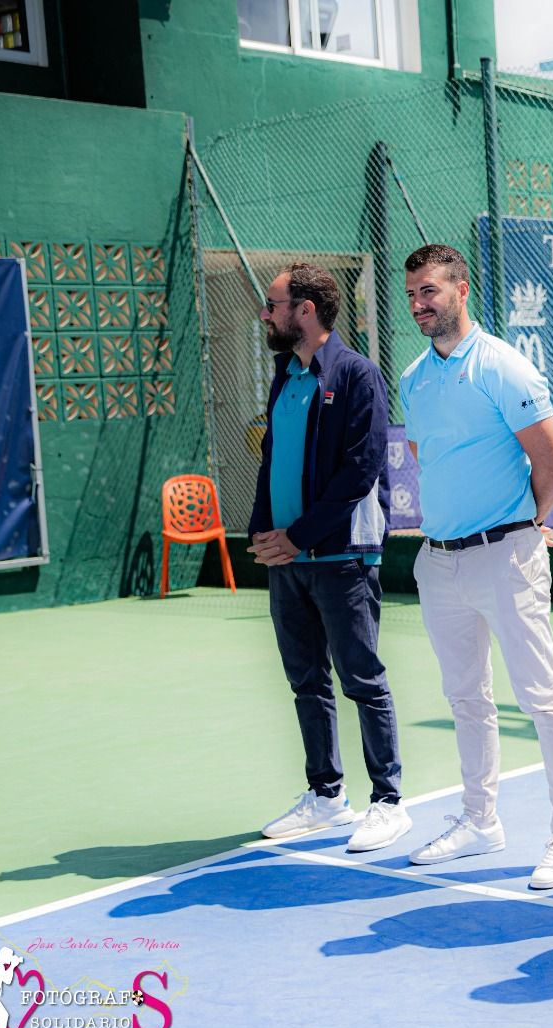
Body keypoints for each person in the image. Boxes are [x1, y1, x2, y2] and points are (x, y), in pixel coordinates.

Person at [397, 243, 553, 889]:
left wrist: (523, 531)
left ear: (461, 290)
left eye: (431, 291)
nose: (420, 304)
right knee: (465, 698)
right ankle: (480, 821)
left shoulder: (505, 368)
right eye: (414, 294)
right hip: (438, 564)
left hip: (507, 557)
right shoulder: (413, 378)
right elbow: (434, 460)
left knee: (542, 698)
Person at [250, 262, 408, 853]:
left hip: (343, 556)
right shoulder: (284, 375)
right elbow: (273, 459)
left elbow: (359, 470)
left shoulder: (357, 375)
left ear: (306, 310)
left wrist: (302, 535)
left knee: (361, 678)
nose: (265, 314)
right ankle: (326, 795)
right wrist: (265, 531)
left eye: (273, 305)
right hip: (289, 561)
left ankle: (388, 800)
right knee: (305, 680)